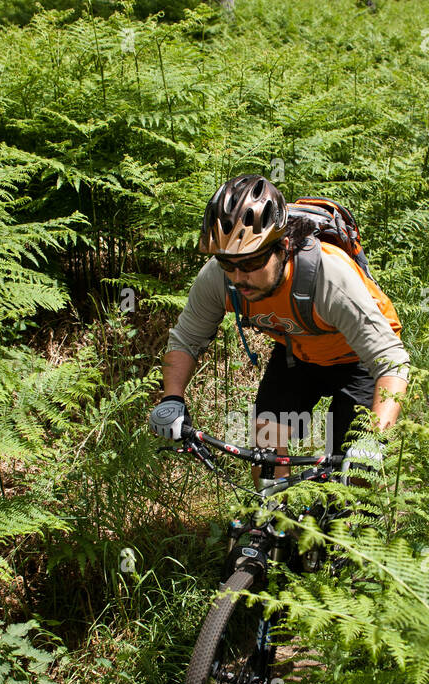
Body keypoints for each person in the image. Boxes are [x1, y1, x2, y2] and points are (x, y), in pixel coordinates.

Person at [149, 174, 409, 483]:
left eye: (249, 263)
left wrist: (373, 441)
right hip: (297, 353)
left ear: (282, 246)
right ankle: (273, 520)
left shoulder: (329, 277)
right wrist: (172, 399)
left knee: (354, 471)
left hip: (358, 359)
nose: (237, 276)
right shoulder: (220, 278)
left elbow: (391, 361)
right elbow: (187, 339)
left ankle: (351, 526)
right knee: (267, 445)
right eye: (226, 262)